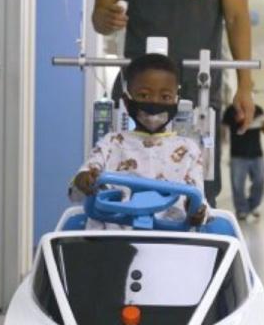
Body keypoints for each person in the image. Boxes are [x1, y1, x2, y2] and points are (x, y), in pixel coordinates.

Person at [92, 0, 256, 208]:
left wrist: (245, 85)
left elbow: (236, 17)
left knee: (199, 189)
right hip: (138, 91)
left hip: (198, 88)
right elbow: (100, 15)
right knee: (123, 179)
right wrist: (105, 19)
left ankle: (196, 234)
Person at [71, 53, 208, 229]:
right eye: (144, 95)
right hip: (114, 241)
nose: (154, 102)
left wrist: (196, 211)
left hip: (170, 242)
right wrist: (83, 179)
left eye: (165, 97)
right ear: (127, 102)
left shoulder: (188, 149)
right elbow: (84, 178)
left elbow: (199, 199)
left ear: (176, 102)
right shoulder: (112, 143)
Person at [223, 103, 264, 221]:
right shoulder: (231, 110)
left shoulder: (258, 109)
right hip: (238, 154)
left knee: (260, 180)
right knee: (237, 185)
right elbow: (223, 128)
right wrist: (238, 120)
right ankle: (242, 210)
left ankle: (253, 206)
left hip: (257, 154)